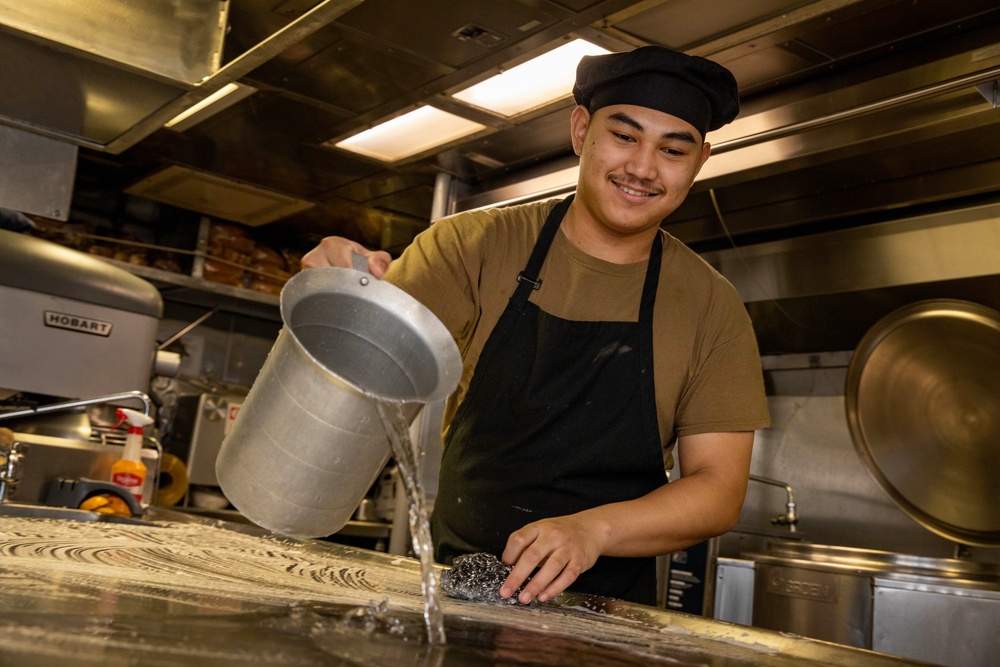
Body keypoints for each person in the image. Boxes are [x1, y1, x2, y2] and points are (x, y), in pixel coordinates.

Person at [302, 46, 770, 606]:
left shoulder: (712, 307)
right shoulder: (470, 248)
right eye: (624, 136)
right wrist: (334, 293)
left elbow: (718, 490)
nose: (643, 168)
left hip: (612, 618)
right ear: (580, 131)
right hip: (459, 595)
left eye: (672, 150)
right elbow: (356, 370)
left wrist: (591, 531)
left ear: (699, 162)